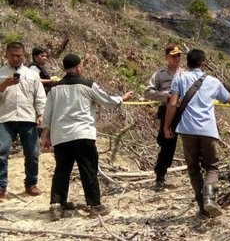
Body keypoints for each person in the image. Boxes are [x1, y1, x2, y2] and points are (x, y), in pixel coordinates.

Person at [41, 54, 133, 221]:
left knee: (62, 170)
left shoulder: (55, 88)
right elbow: (107, 101)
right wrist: (122, 98)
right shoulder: (88, 85)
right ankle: (95, 205)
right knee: (88, 169)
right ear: (78, 67)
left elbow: (47, 114)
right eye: (81, 66)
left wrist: (45, 135)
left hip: (61, 135)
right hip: (83, 134)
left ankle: (56, 205)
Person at [163, 49, 230, 218]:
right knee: (211, 167)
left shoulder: (180, 78)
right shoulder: (213, 81)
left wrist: (167, 126)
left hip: (187, 131)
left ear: (187, 63)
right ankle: (209, 198)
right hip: (208, 131)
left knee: (193, 168)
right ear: (203, 64)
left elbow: (173, 104)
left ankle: (202, 207)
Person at [0, 42, 46, 199]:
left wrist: (41, 115)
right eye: (12, 55)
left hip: (28, 118)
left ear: (24, 56)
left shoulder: (32, 74)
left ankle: (31, 184)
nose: (15, 58)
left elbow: (40, 96)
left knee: (33, 153)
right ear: (6, 55)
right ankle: (1, 186)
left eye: (19, 56)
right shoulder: (0, 73)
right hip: (5, 118)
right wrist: (3, 85)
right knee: (1, 151)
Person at [144, 44, 184, 191]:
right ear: (166, 57)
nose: (177, 58)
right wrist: (165, 95)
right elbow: (147, 92)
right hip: (167, 112)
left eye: (179, 55)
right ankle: (160, 176)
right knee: (167, 146)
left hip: (185, 112)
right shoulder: (159, 75)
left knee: (194, 143)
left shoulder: (185, 74)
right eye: (174, 55)